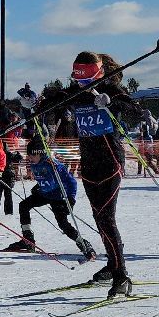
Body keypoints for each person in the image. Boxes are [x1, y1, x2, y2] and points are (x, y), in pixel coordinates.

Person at [61, 51, 143, 297]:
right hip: (89, 165)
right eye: (78, 78)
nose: (81, 84)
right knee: (100, 219)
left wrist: (112, 103)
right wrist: (33, 103)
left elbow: (137, 113)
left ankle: (121, 276)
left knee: (106, 218)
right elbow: (53, 102)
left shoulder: (111, 90)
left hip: (110, 162)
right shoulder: (78, 94)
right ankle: (112, 264)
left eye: (85, 77)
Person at [10, 138, 96, 260]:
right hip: (45, 194)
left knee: (62, 223)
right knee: (24, 205)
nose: (29, 158)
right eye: (28, 156)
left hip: (59, 196)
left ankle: (83, 243)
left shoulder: (53, 164)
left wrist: (70, 199)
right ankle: (28, 240)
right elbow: (45, 178)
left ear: (39, 153)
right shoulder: (34, 163)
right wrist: (37, 187)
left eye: (31, 156)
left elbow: (71, 182)